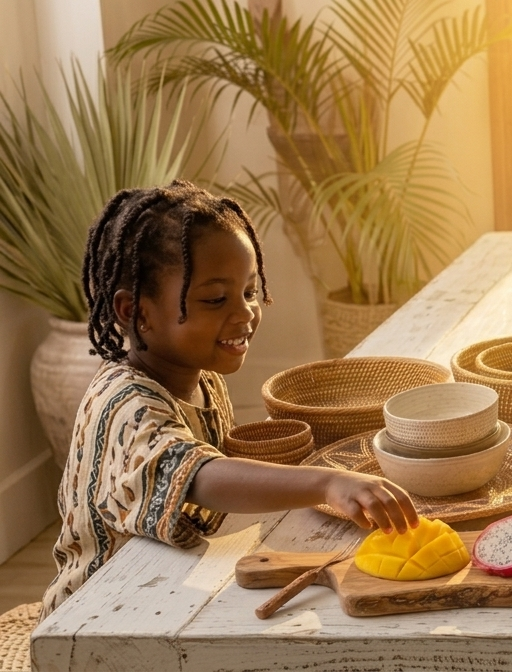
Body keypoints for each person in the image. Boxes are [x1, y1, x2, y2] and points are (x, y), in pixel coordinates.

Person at [42, 181, 419, 617]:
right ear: (135, 312)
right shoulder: (125, 404)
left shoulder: (199, 377)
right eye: (216, 299)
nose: (245, 313)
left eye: (250, 292)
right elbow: (197, 476)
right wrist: (326, 482)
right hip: (94, 620)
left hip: (163, 591)